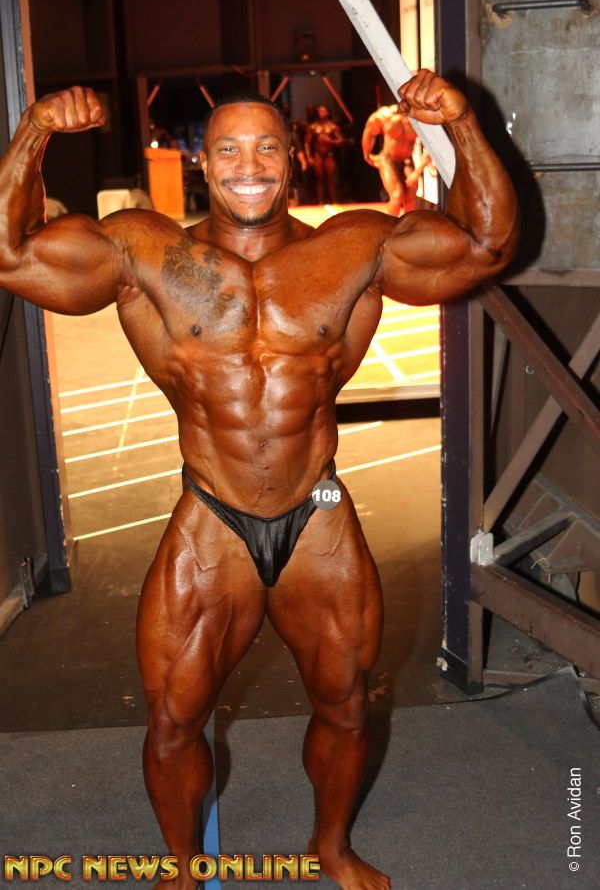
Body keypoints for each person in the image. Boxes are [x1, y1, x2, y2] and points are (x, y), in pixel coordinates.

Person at [0, 70, 517, 889]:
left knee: (347, 705)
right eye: (231, 150)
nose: (250, 166)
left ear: (291, 160)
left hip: (318, 509)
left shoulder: (352, 248)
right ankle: (182, 868)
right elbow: (12, 254)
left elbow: (486, 245)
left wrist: (463, 127)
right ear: (204, 162)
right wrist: (33, 131)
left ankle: (332, 847)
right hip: (212, 515)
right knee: (173, 719)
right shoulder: (143, 251)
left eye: (268, 148)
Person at [362, 103, 424, 216]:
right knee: (397, 195)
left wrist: (417, 172)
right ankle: (389, 226)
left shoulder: (421, 120)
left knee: (410, 200)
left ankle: (409, 227)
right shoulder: (386, 115)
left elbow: (431, 150)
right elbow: (369, 129)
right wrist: (367, 154)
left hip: (407, 161)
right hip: (388, 160)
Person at [304, 104, 345, 204]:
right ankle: (321, 202)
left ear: (327, 113)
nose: (320, 113)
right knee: (319, 179)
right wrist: (309, 157)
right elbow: (307, 143)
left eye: (323, 111)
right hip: (318, 155)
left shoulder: (333, 126)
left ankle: (334, 201)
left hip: (329, 155)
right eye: (319, 111)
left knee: (331, 179)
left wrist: (330, 141)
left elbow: (341, 141)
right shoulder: (313, 126)